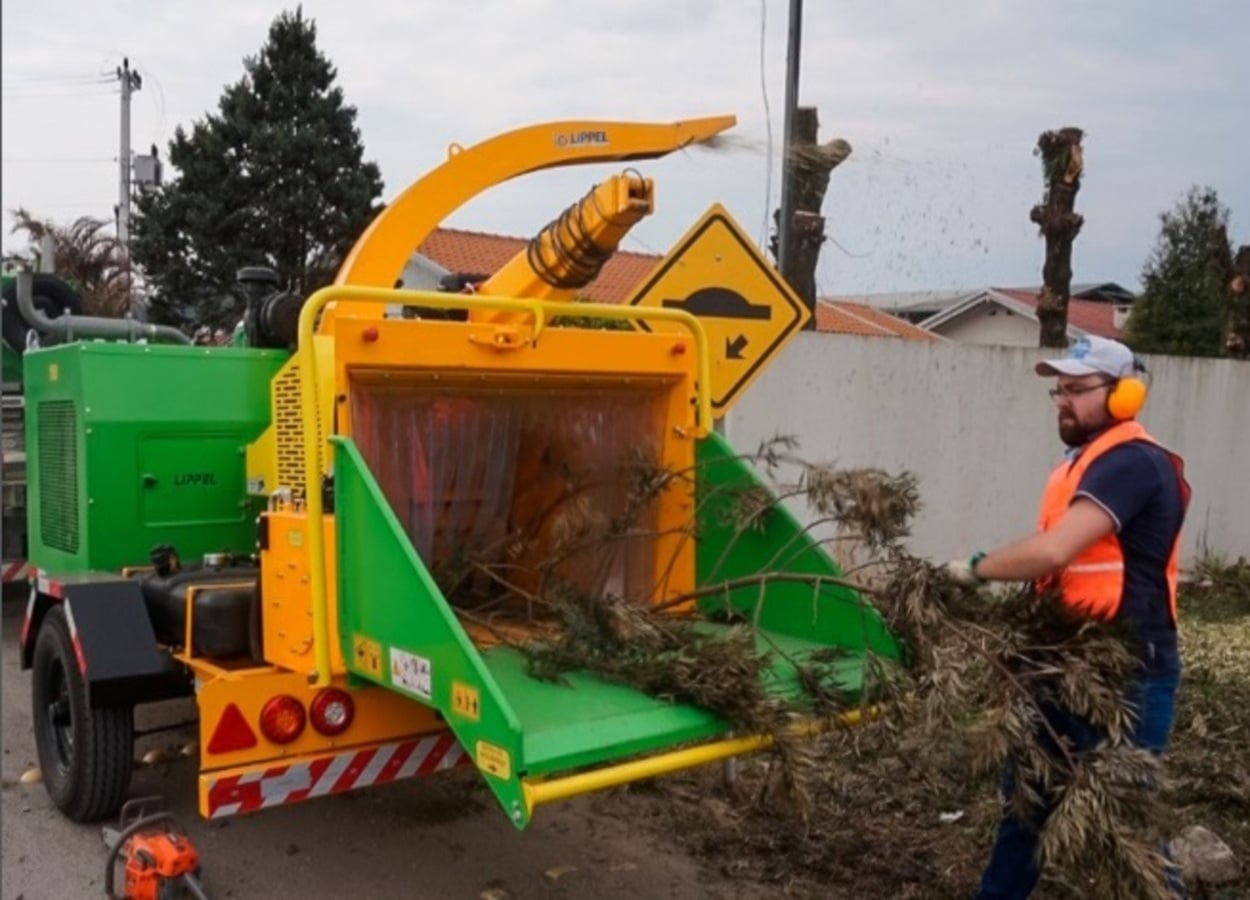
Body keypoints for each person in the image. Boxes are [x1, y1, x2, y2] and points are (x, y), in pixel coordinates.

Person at [946, 335, 1191, 899]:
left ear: (1125, 395)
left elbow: (1055, 550)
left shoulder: (1133, 463)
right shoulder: (1084, 464)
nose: (1063, 400)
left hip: (1125, 674)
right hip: (1062, 662)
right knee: (1027, 809)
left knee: (1129, 825)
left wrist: (976, 569)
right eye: (1060, 389)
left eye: (1078, 389)